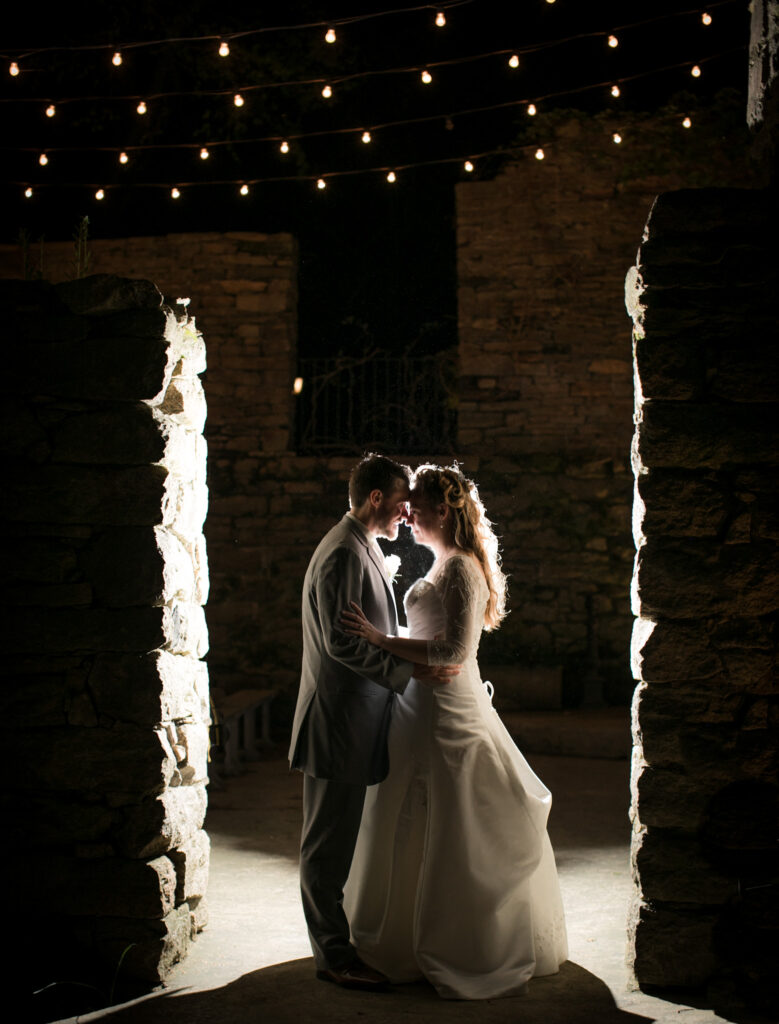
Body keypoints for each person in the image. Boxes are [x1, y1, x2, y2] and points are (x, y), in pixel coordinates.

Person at [340, 463, 568, 1000]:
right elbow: (431, 638)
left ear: (443, 511)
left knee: (451, 818)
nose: (407, 514)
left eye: (415, 506)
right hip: (419, 704)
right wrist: (395, 638)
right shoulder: (441, 562)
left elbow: (453, 653)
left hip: (446, 711)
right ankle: (400, 935)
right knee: (405, 814)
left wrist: (379, 638)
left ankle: (457, 942)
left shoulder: (462, 568)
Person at [289, 453, 459, 991]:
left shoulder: (360, 546)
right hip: (337, 720)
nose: (404, 517)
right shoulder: (342, 553)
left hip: (355, 718)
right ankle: (334, 958)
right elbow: (341, 642)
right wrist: (406, 674)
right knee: (326, 844)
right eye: (400, 504)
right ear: (377, 499)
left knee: (337, 839)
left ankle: (338, 944)